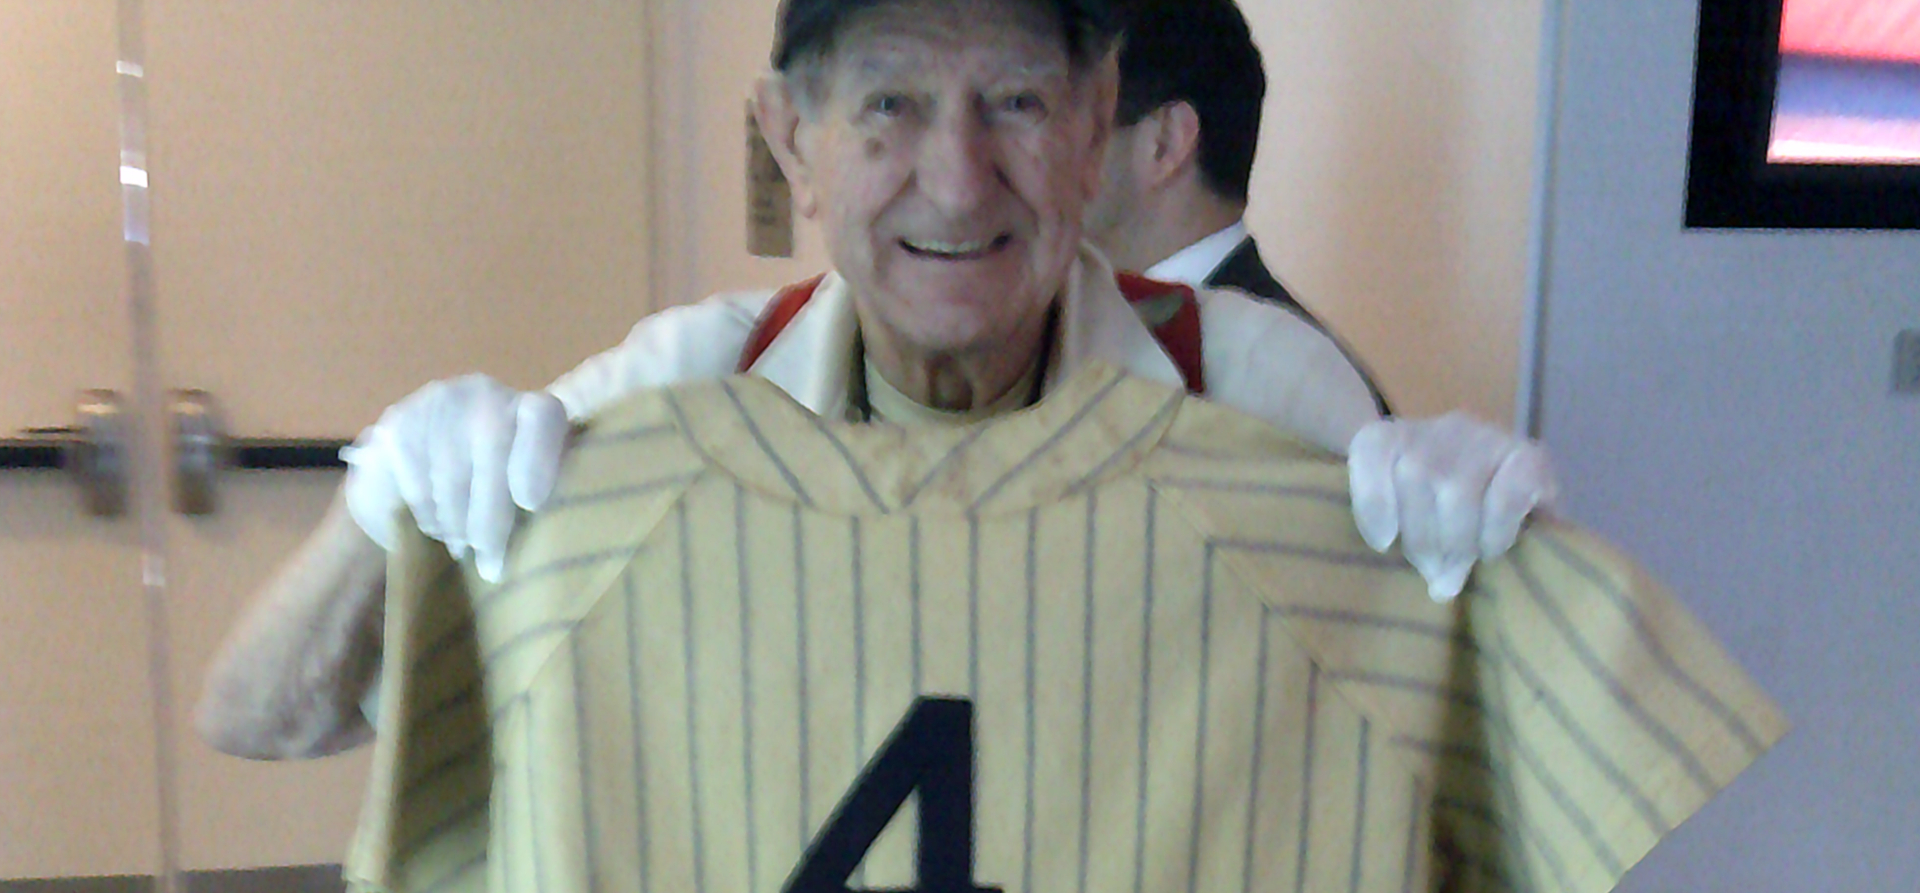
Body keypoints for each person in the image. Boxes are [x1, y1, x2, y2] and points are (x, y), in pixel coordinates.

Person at [194, 0, 1554, 767]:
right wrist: (389, 506)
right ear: (797, 138)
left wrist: (1490, 576)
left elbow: (1491, 795)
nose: (958, 181)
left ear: (1094, 130)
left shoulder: (1254, 383)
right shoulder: (686, 383)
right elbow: (262, 715)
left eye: (1016, 102)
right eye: (891, 105)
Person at [1084, 0, 1389, 410]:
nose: (1038, 152)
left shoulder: (1300, 386)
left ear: (1165, 143)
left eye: (1076, 122)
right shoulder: (1080, 331)